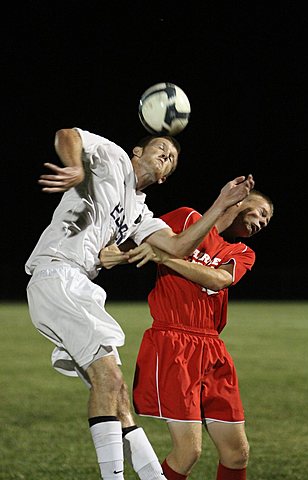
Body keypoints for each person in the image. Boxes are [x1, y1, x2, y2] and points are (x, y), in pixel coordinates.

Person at [25, 126, 254, 480]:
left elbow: (177, 247)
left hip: (82, 286)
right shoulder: (112, 158)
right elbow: (67, 134)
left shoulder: (140, 213)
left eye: (173, 158)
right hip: (58, 273)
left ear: (164, 179)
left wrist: (221, 204)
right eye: (161, 148)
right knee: (109, 378)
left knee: (119, 399)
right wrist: (76, 167)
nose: (167, 155)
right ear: (137, 152)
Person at [100, 190, 273, 480]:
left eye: (267, 221)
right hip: (173, 342)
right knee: (188, 452)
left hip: (212, 348)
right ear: (240, 200)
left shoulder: (243, 253)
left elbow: (219, 280)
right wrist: (115, 254)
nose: (263, 222)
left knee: (237, 453)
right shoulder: (187, 218)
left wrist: (165, 259)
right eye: (262, 212)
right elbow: (141, 238)